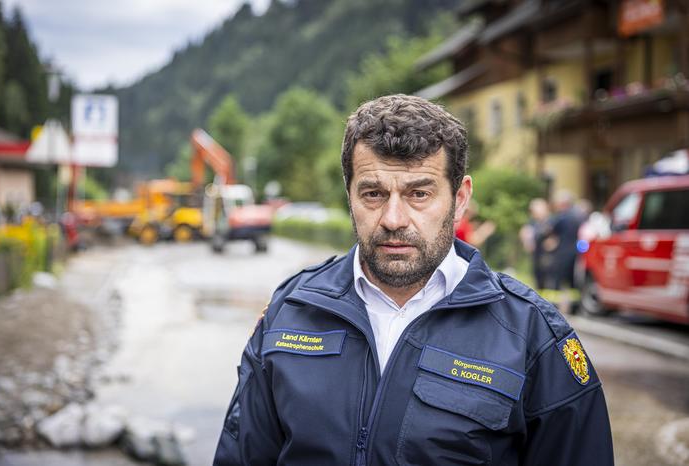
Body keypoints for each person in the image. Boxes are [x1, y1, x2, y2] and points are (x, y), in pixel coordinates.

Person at [213, 95, 613, 466]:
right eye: (372, 193)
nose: (393, 219)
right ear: (349, 195)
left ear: (460, 198)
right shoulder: (292, 311)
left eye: (419, 194)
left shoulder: (532, 335)